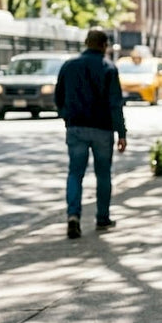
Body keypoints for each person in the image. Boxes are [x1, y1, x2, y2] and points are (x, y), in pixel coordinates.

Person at [55, 28, 127, 240]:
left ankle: (73, 215)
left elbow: (59, 96)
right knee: (103, 174)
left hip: (76, 127)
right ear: (104, 46)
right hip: (102, 128)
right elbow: (115, 104)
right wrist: (121, 133)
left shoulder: (69, 66)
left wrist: (66, 117)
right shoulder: (109, 68)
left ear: (86, 43)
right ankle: (102, 218)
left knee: (75, 173)